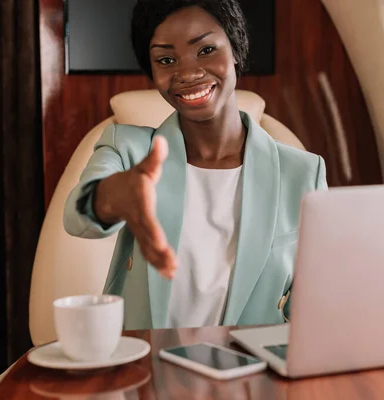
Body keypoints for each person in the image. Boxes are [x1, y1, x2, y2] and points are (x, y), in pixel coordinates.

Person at [63, 0, 327, 330]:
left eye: (205, 50)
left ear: (236, 49)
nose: (187, 73)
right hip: (147, 369)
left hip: (250, 372)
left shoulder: (303, 173)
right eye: (166, 60)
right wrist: (113, 196)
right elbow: (76, 217)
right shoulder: (127, 147)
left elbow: (313, 307)